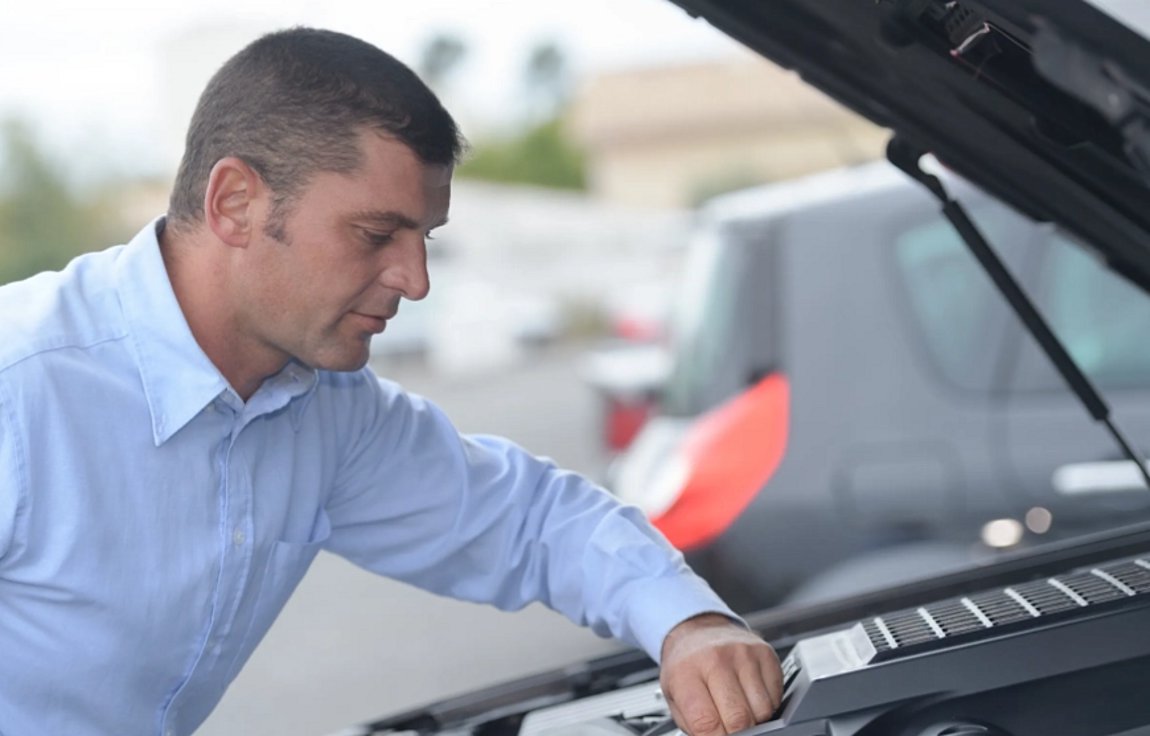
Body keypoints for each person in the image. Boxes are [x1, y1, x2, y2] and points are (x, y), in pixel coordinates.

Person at [0, 27, 782, 736]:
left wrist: (688, 624)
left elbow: (529, 520)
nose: (415, 282)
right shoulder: (20, 390)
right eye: (376, 235)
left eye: (424, 239)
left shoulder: (323, 409)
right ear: (235, 203)